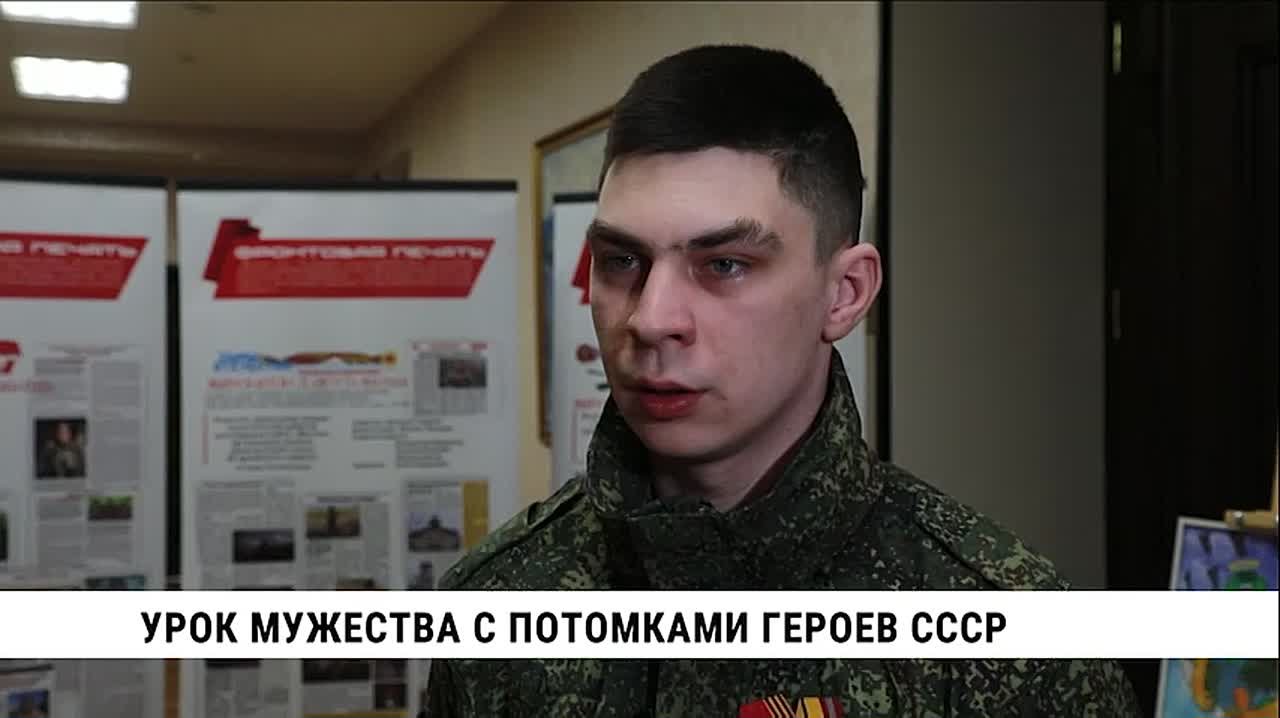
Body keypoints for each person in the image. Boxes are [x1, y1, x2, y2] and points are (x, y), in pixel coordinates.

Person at [426, 44, 1142, 716]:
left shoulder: (1020, 644)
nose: (651, 319)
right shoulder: (499, 606)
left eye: (724, 264)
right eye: (622, 262)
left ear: (844, 294)